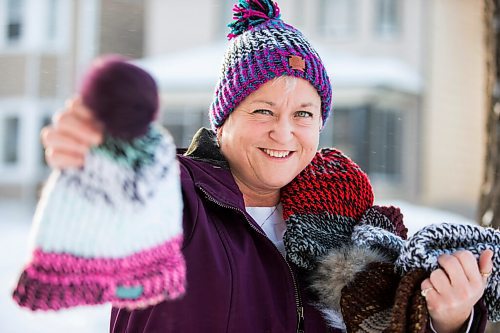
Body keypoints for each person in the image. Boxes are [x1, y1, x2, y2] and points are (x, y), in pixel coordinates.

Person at [40, 1, 493, 332]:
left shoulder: (349, 222)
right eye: (262, 111)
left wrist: (446, 319)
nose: (284, 133)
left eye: (303, 115)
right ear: (223, 120)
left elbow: (386, 322)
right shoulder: (176, 196)